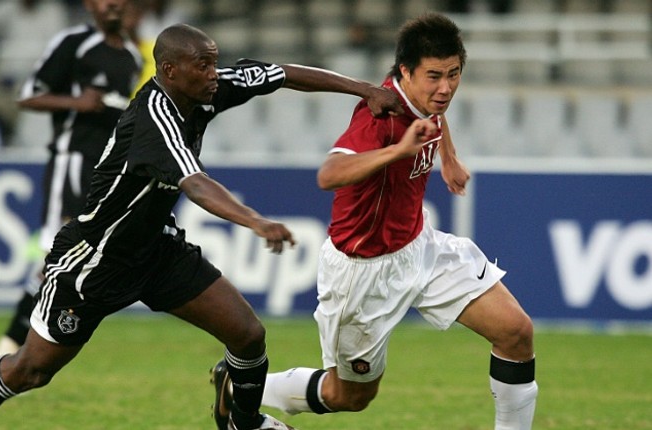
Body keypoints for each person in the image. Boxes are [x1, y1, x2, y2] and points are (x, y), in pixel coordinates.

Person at [0, 23, 403, 430]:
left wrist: (362, 89)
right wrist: (255, 220)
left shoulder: (207, 88)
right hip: (95, 260)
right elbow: (195, 184)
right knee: (31, 370)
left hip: (155, 252)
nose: (216, 74)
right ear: (170, 71)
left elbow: (281, 73)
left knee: (248, 336)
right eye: (204, 66)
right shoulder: (154, 117)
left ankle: (244, 423)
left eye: (215, 63)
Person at [211, 12, 538, 430]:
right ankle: (241, 387)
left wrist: (449, 158)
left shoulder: (426, 98)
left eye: (454, 74)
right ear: (405, 71)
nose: (446, 88)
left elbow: (435, 115)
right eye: (434, 76)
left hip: (420, 247)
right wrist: (398, 151)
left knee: (516, 333)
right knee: (349, 396)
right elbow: (328, 174)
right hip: (362, 273)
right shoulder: (377, 117)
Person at [0, 0, 144, 357]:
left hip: (105, 172)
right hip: (72, 160)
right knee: (54, 252)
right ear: (90, 4)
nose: (113, 5)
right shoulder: (74, 43)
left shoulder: (132, 58)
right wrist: (76, 103)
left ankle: (25, 347)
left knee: (76, 258)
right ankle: (8, 348)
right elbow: (28, 97)